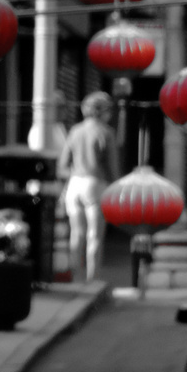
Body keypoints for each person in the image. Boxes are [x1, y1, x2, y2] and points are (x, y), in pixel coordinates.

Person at [58, 91, 118, 282]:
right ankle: (93, 278)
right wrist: (116, 187)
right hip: (95, 183)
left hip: (74, 184)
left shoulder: (75, 130)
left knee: (77, 233)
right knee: (95, 235)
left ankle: (77, 278)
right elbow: (112, 166)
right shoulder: (106, 132)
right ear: (104, 111)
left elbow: (62, 165)